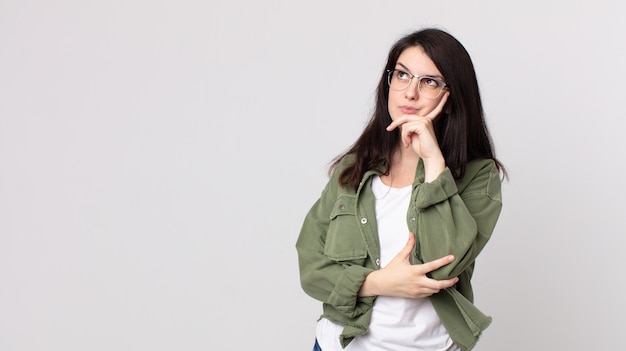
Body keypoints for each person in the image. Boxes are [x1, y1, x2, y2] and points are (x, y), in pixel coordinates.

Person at [295, 27, 507, 351]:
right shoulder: (353, 168)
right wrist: (378, 283)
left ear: (451, 100)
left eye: (430, 82)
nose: (410, 92)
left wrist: (434, 162)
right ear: (389, 83)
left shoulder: (478, 177)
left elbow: (444, 267)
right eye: (403, 75)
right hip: (338, 344)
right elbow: (311, 268)